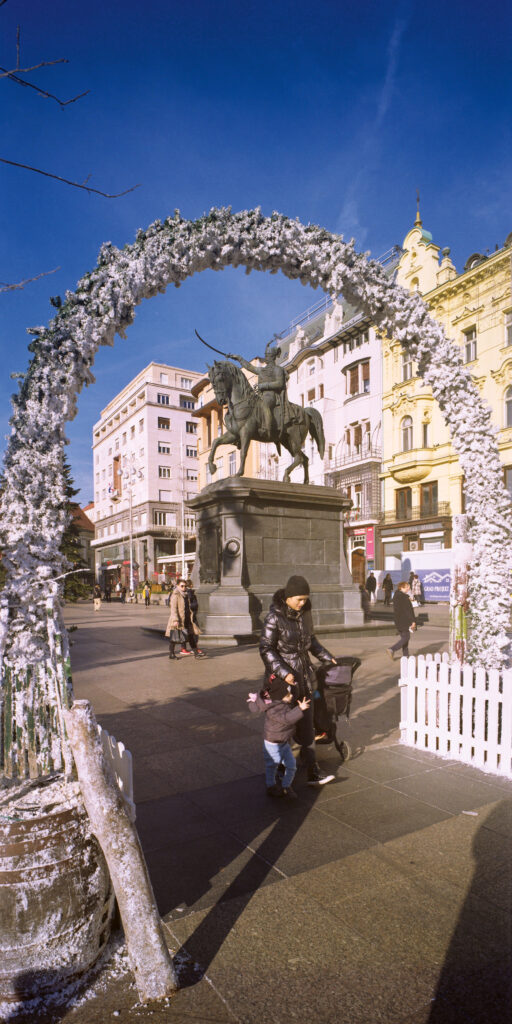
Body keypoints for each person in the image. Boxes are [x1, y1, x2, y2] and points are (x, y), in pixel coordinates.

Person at [259, 574, 336, 786]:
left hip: (305, 676)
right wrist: (283, 671)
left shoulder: (305, 614)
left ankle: (313, 771)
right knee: (281, 727)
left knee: (307, 727)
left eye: (305, 599)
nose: (303, 603)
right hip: (283, 683)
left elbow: (310, 640)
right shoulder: (274, 617)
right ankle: (278, 770)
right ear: (288, 597)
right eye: (299, 599)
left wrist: (326, 656)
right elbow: (266, 648)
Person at [247, 676, 310, 799]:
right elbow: (286, 719)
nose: (291, 696)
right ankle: (271, 786)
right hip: (273, 742)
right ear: (280, 696)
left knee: (291, 765)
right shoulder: (273, 709)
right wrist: (299, 709)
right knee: (272, 765)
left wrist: (293, 684)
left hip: (283, 741)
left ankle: (286, 786)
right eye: (288, 695)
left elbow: (291, 694)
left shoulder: (282, 701)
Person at [227, 340, 295, 436]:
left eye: (267, 356)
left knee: (264, 405)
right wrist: (239, 358)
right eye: (265, 355)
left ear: (272, 357)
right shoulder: (262, 370)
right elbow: (250, 367)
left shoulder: (278, 370)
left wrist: (264, 385)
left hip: (272, 396)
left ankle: (267, 428)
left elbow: (280, 383)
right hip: (261, 395)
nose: (265, 358)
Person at [165, 579, 205, 659]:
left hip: (187, 619)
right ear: (177, 586)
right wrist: (175, 620)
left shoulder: (187, 594)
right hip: (179, 620)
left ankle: (196, 653)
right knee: (175, 637)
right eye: (182, 586)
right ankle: (171, 653)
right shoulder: (175, 594)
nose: (184, 588)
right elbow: (173, 609)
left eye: (185, 586)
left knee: (191, 636)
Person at [386, 581, 417, 660]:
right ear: (402, 587)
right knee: (406, 638)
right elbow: (408, 610)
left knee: (404, 638)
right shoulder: (404, 597)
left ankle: (405, 656)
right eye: (407, 587)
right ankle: (392, 649)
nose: (408, 588)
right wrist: (413, 621)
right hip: (405, 620)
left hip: (398, 620)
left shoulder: (396, 596)